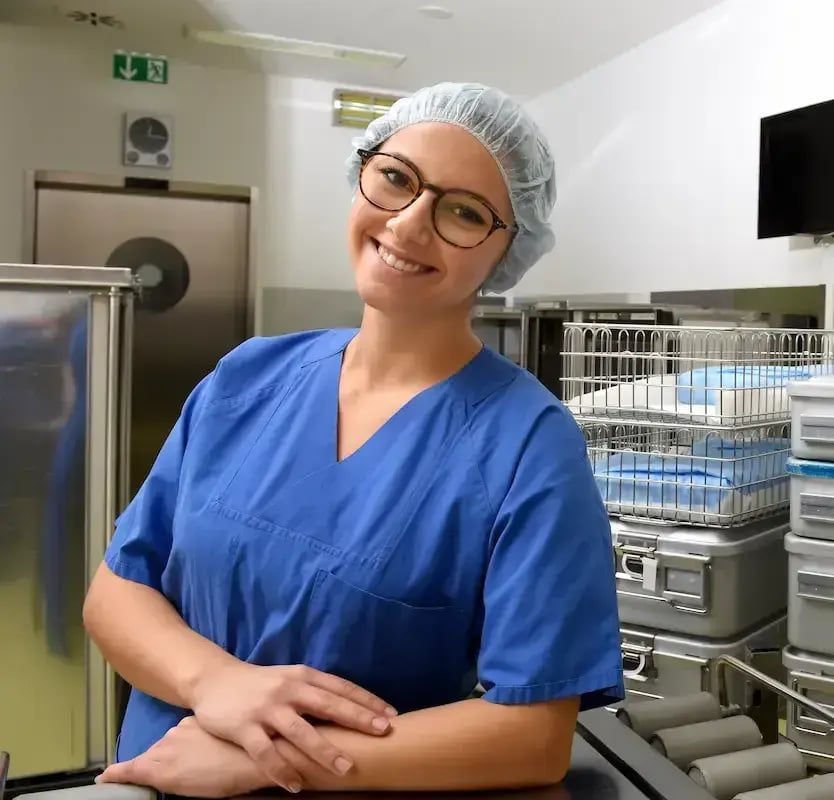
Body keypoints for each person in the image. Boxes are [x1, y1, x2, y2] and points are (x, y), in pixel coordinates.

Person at [85, 81, 623, 798]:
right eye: (396, 178)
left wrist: (268, 759)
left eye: (464, 211)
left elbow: (534, 736)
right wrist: (218, 684)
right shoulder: (247, 378)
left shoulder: (529, 445)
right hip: (151, 781)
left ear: (506, 251)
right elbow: (117, 591)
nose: (409, 223)